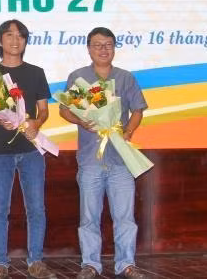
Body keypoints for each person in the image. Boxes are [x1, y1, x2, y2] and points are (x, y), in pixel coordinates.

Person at [58, 27, 148, 279]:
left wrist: (128, 131)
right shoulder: (78, 77)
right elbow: (63, 111)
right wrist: (80, 120)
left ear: (114, 48)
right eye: (97, 45)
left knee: (125, 217)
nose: (103, 49)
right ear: (88, 48)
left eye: (108, 44)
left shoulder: (126, 78)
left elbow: (138, 109)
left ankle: (126, 265)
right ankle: (90, 265)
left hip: (120, 160)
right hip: (90, 159)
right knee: (88, 216)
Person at [0, 20, 56, 279]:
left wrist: (36, 122)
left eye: (20, 36)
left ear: (25, 41)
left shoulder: (36, 72)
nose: (14, 40)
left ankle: (36, 262)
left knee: (36, 207)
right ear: (0, 41)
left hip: (31, 150)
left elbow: (44, 110)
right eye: (9, 35)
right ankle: (0, 263)